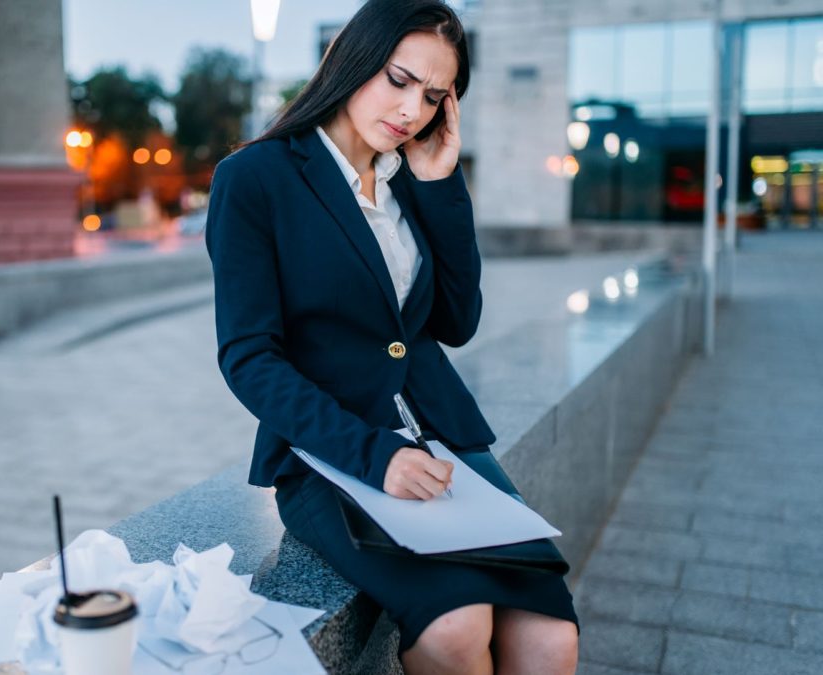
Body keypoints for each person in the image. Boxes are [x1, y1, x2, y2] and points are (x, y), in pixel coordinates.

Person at [205, 1, 579, 672]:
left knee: (552, 636)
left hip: (444, 437)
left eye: (436, 96)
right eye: (400, 80)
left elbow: (458, 322)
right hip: (332, 456)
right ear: (354, 60)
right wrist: (375, 455)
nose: (413, 109)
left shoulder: (412, 177)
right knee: (457, 628)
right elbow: (249, 357)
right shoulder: (255, 180)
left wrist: (441, 185)